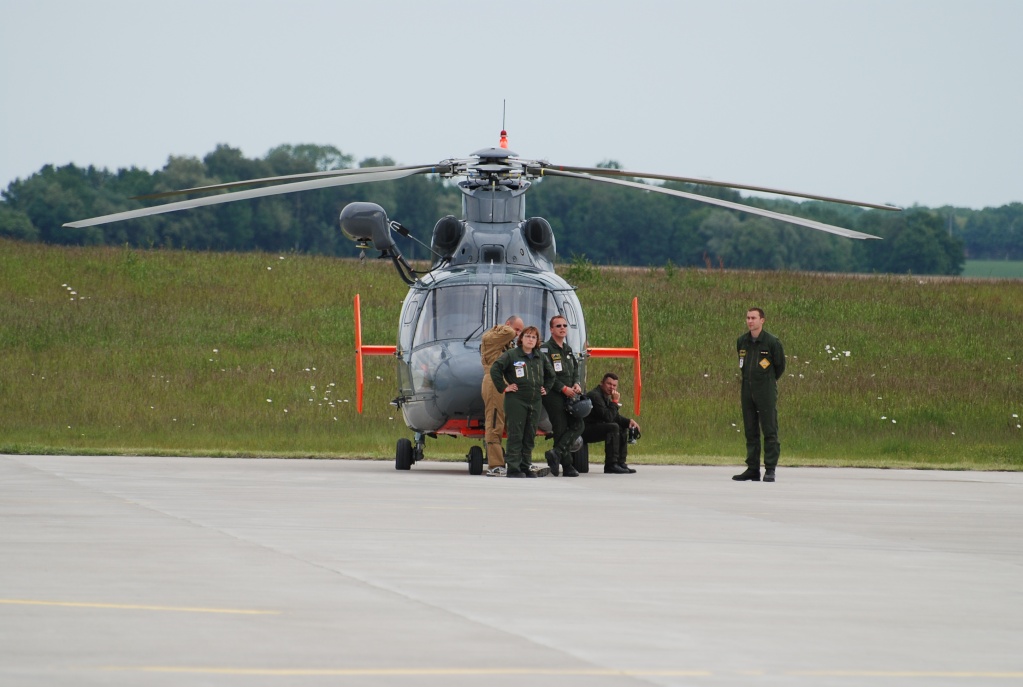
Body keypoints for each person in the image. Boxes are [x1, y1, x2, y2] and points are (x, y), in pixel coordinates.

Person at [490, 326, 554, 478]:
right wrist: (504, 387)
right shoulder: (512, 355)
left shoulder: (540, 357)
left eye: (534, 337)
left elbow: (551, 375)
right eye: (528, 336)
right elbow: (495, 369)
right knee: (516, 433)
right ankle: (513, 467)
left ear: (537, 341)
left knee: (529, 433)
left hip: (535, 400)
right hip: (517, 400)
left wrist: (546, 388)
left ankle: (525, 465)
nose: (531, 340)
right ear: (521, 338)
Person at [733, 307, 786, 483]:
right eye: (748, 318)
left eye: (754, 318)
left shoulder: (772, 342)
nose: (750, 321)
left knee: (769, 429)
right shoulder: (742, 341)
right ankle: (752, 468)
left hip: (765, 390)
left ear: (762, 320)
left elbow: (780, 366)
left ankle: (770, 469)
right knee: (750, 430)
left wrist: (767, 381)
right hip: (747, 390)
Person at [541, 315, 584, 477]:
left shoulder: (567, 349)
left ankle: (556, 453)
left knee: (578, 424)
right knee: (560, 428)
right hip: (553, 394)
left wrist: (576, 383)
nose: (562, 328)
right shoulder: (546, 349)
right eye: (558, 326)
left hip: (570, 393)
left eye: (564, 325)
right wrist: (563, 388)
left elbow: (574, 369)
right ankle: (567, 466)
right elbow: (547, 374)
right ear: (551, 329)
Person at [480, 315, 524, 477]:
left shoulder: (506, 343)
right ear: (508, 325)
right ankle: (495, 464)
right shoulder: (492, 337)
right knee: (494, 421)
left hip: (508, 383)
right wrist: (513, 331)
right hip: (495, 382)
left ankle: (515, 461)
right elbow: (506, 333)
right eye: (517, 329)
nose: (518, 334)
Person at [582, 372, 640, 474]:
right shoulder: (595, 396)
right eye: (609, 384)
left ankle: (620, 463)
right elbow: (608, 417)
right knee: (613, 427)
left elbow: (615, 417)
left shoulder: (605, 397)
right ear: (602, 383)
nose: (611, 387)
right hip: (585, 429)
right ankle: (611, 464)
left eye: (614, 385)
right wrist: (614, 402)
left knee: (621, 426)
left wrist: (629, 422)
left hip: (596, 427)